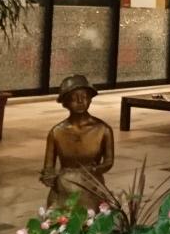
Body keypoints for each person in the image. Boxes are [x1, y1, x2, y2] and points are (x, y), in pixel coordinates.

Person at [40, 74, 115, 209]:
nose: (80, 101)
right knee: (60, 214)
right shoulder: (56, 132)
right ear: (65, 102)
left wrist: (95, 170)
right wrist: (48, 176)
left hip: (91, 185)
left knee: (97, 213)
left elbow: (108, 161)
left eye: (84, 97)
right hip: (65, 186)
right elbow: (49, 167)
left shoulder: (103, 129)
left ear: (90, 99)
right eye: (74, 98)